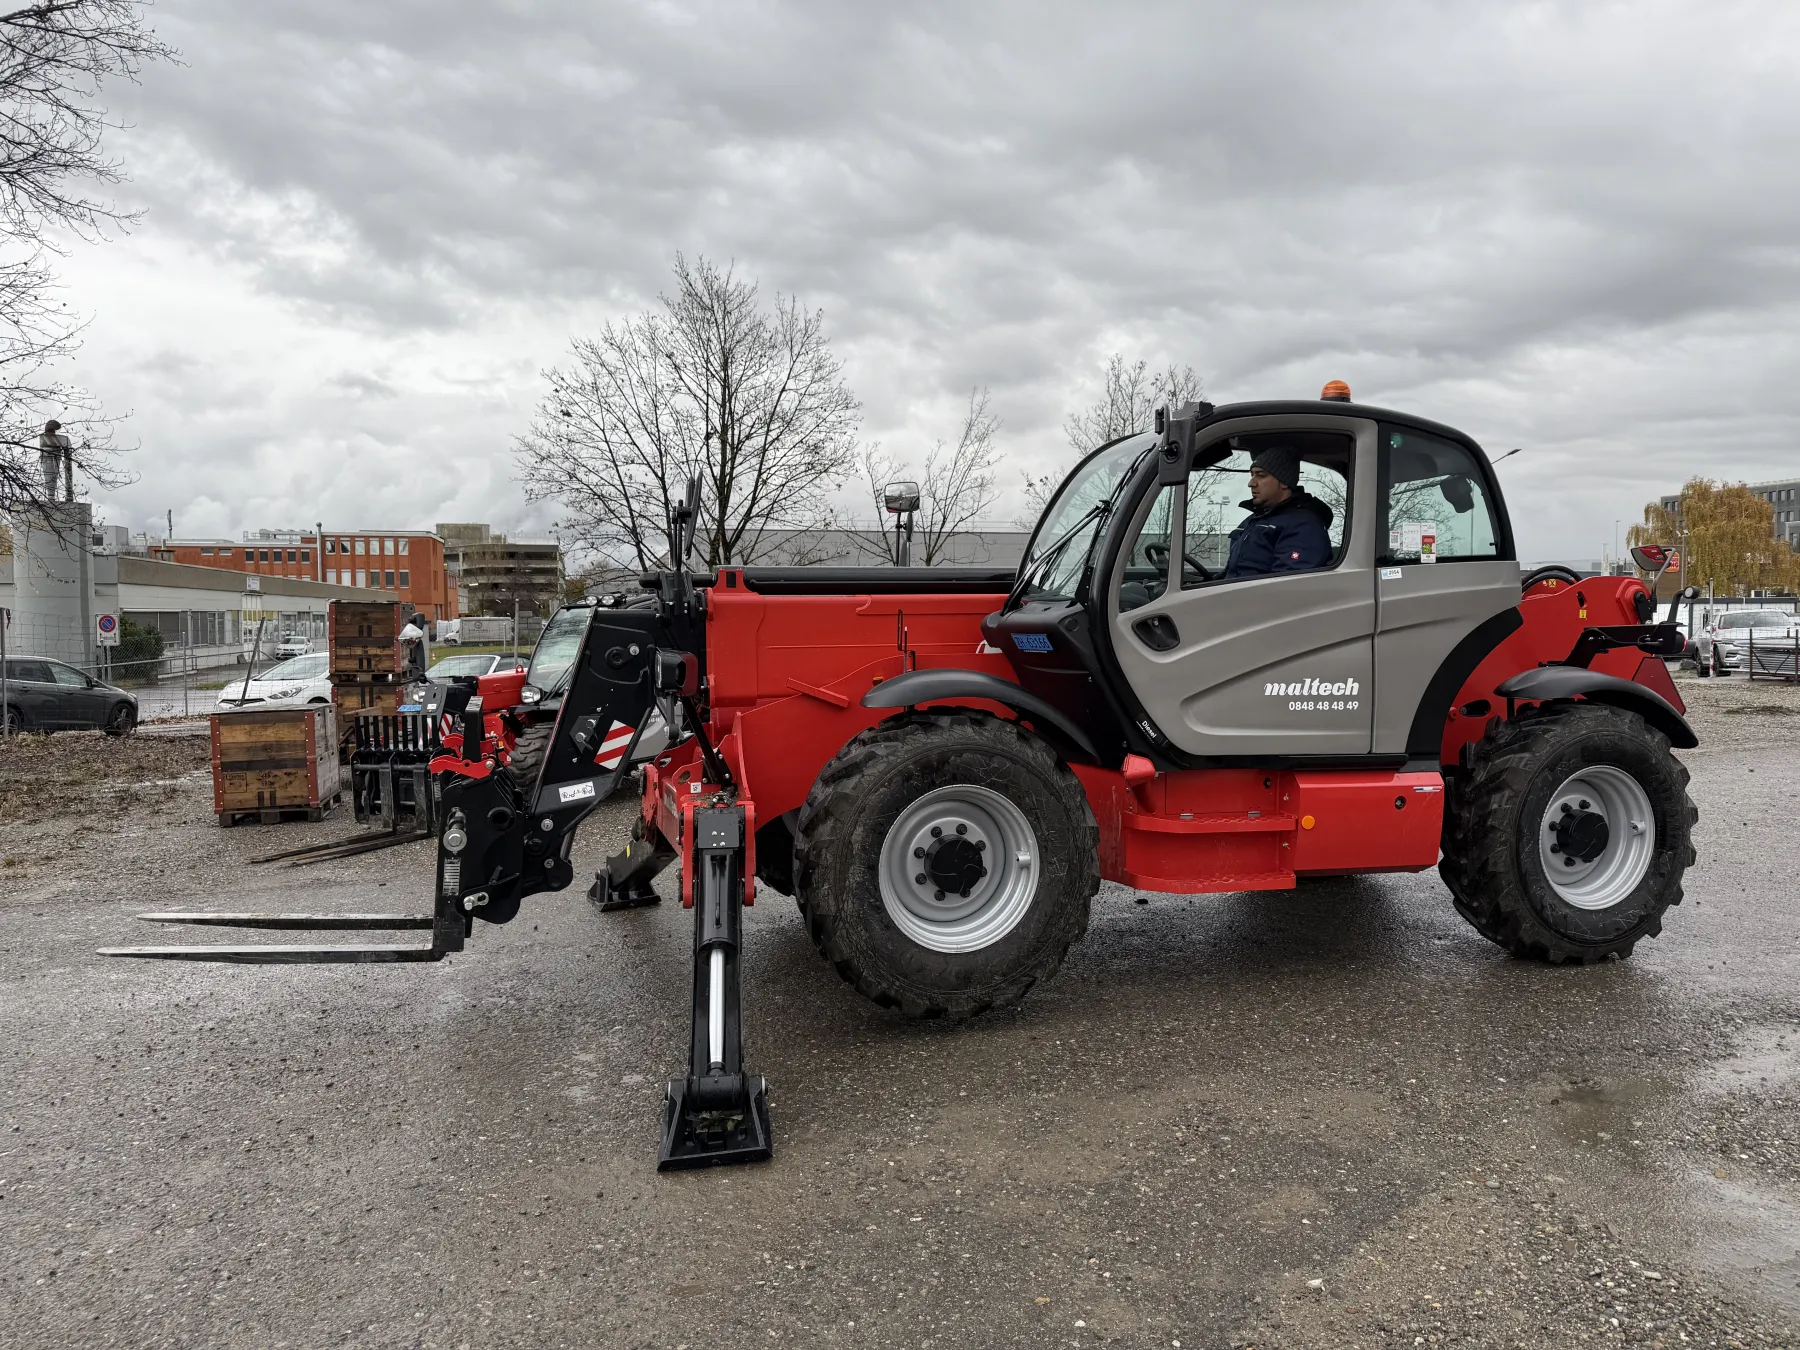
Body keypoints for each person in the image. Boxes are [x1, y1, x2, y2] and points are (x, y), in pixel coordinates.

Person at [1222, 445, 1334, 579]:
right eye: (1252, 475)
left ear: (1284, 482)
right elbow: (1231, 572)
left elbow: (1286, 584)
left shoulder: (1303, 526)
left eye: (1261, 475)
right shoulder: (1253, 520)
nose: (1251, 483)